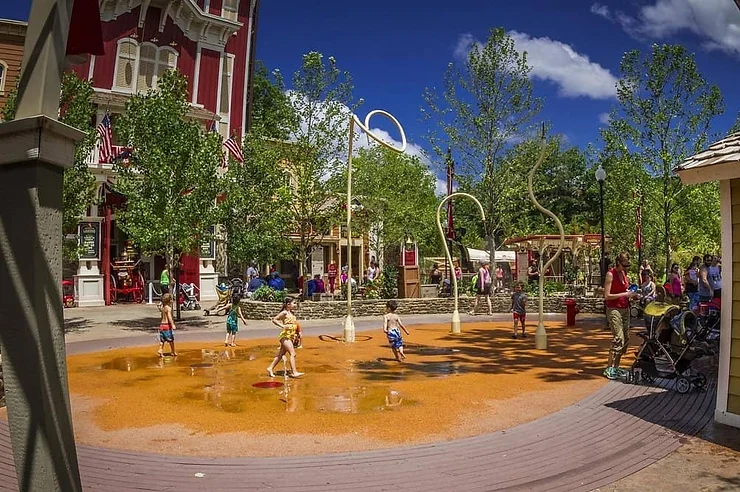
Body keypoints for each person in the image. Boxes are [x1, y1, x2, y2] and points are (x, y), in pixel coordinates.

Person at [603, 252, 638, 380]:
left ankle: (616, 367)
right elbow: (607, 296)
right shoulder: (610, 274)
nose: (626, 268)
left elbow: (626, 290)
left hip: (625, 308)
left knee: (626, 338)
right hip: (614, 309)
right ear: (618, 263)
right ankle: (609, 367)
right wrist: (624, 294)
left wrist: (633, 295)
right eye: (624, 265)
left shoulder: (623, 274)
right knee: (618, 338)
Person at [266, 297, 304, 378]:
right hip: (285, 336)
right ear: (288, 304)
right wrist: (282, 325)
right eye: (294, 303)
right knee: (293, 354)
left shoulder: (292, 313)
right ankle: (294, 372)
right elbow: (274, 319)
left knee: (280, 355)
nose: (295, 305)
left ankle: (270, 368)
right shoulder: (284, 313)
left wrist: (296, 334)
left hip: (290, 336)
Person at [157, 293, 177, 357]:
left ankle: (160, 350)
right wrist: (172, 324)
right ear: (170, 300)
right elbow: (169, 317)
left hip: (162, 326)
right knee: (171, 339)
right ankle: (173, 351)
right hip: (167, 326)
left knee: (162, 340)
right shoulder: (168, 308)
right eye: (171, 299)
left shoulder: (163, 308)